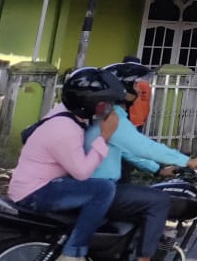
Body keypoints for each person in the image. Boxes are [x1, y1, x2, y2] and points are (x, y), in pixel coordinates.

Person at [89, 63, 197, 261]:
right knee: (159, 200)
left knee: (144, 201)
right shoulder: (113, 118)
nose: (140, 89)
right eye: (136, 84)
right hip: (101, 188)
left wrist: (157, 170)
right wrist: (187, 161)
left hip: (100, 186)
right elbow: (144, 147)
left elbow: (127, 151)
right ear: (123, 88)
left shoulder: (111, 115)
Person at [8, 67, 126, 261]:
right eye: (104, 103)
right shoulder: (66, 129)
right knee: (103, 189)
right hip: (35, 192)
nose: (108, 109)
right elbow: (81, 173)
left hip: (35, 185)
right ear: (88, 103)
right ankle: (73, 252)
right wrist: (105, 136)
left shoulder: (64, 112)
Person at [122, 55, 153, 132]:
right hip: (139, 120)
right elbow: (146, 104)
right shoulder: (145, 84)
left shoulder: (126, 82)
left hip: (127, 120)